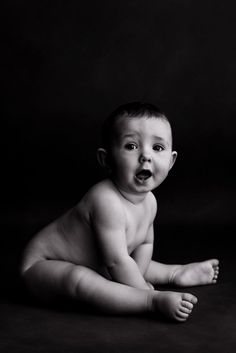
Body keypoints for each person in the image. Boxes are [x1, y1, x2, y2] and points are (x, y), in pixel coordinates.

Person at [21, 102, 219, 322]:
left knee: (128, 263)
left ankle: (174, 273)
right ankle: (150, 302)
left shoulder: (150, 201)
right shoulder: (105, 200)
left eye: (158, 148)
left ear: (171, 161)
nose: (146, 156)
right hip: (41, 266)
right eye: (131, 146)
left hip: (101, 260)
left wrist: (136, 279)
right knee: (81, 278)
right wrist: (144, 291)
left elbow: (145, 244)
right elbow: (116, 262)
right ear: (106, 159)